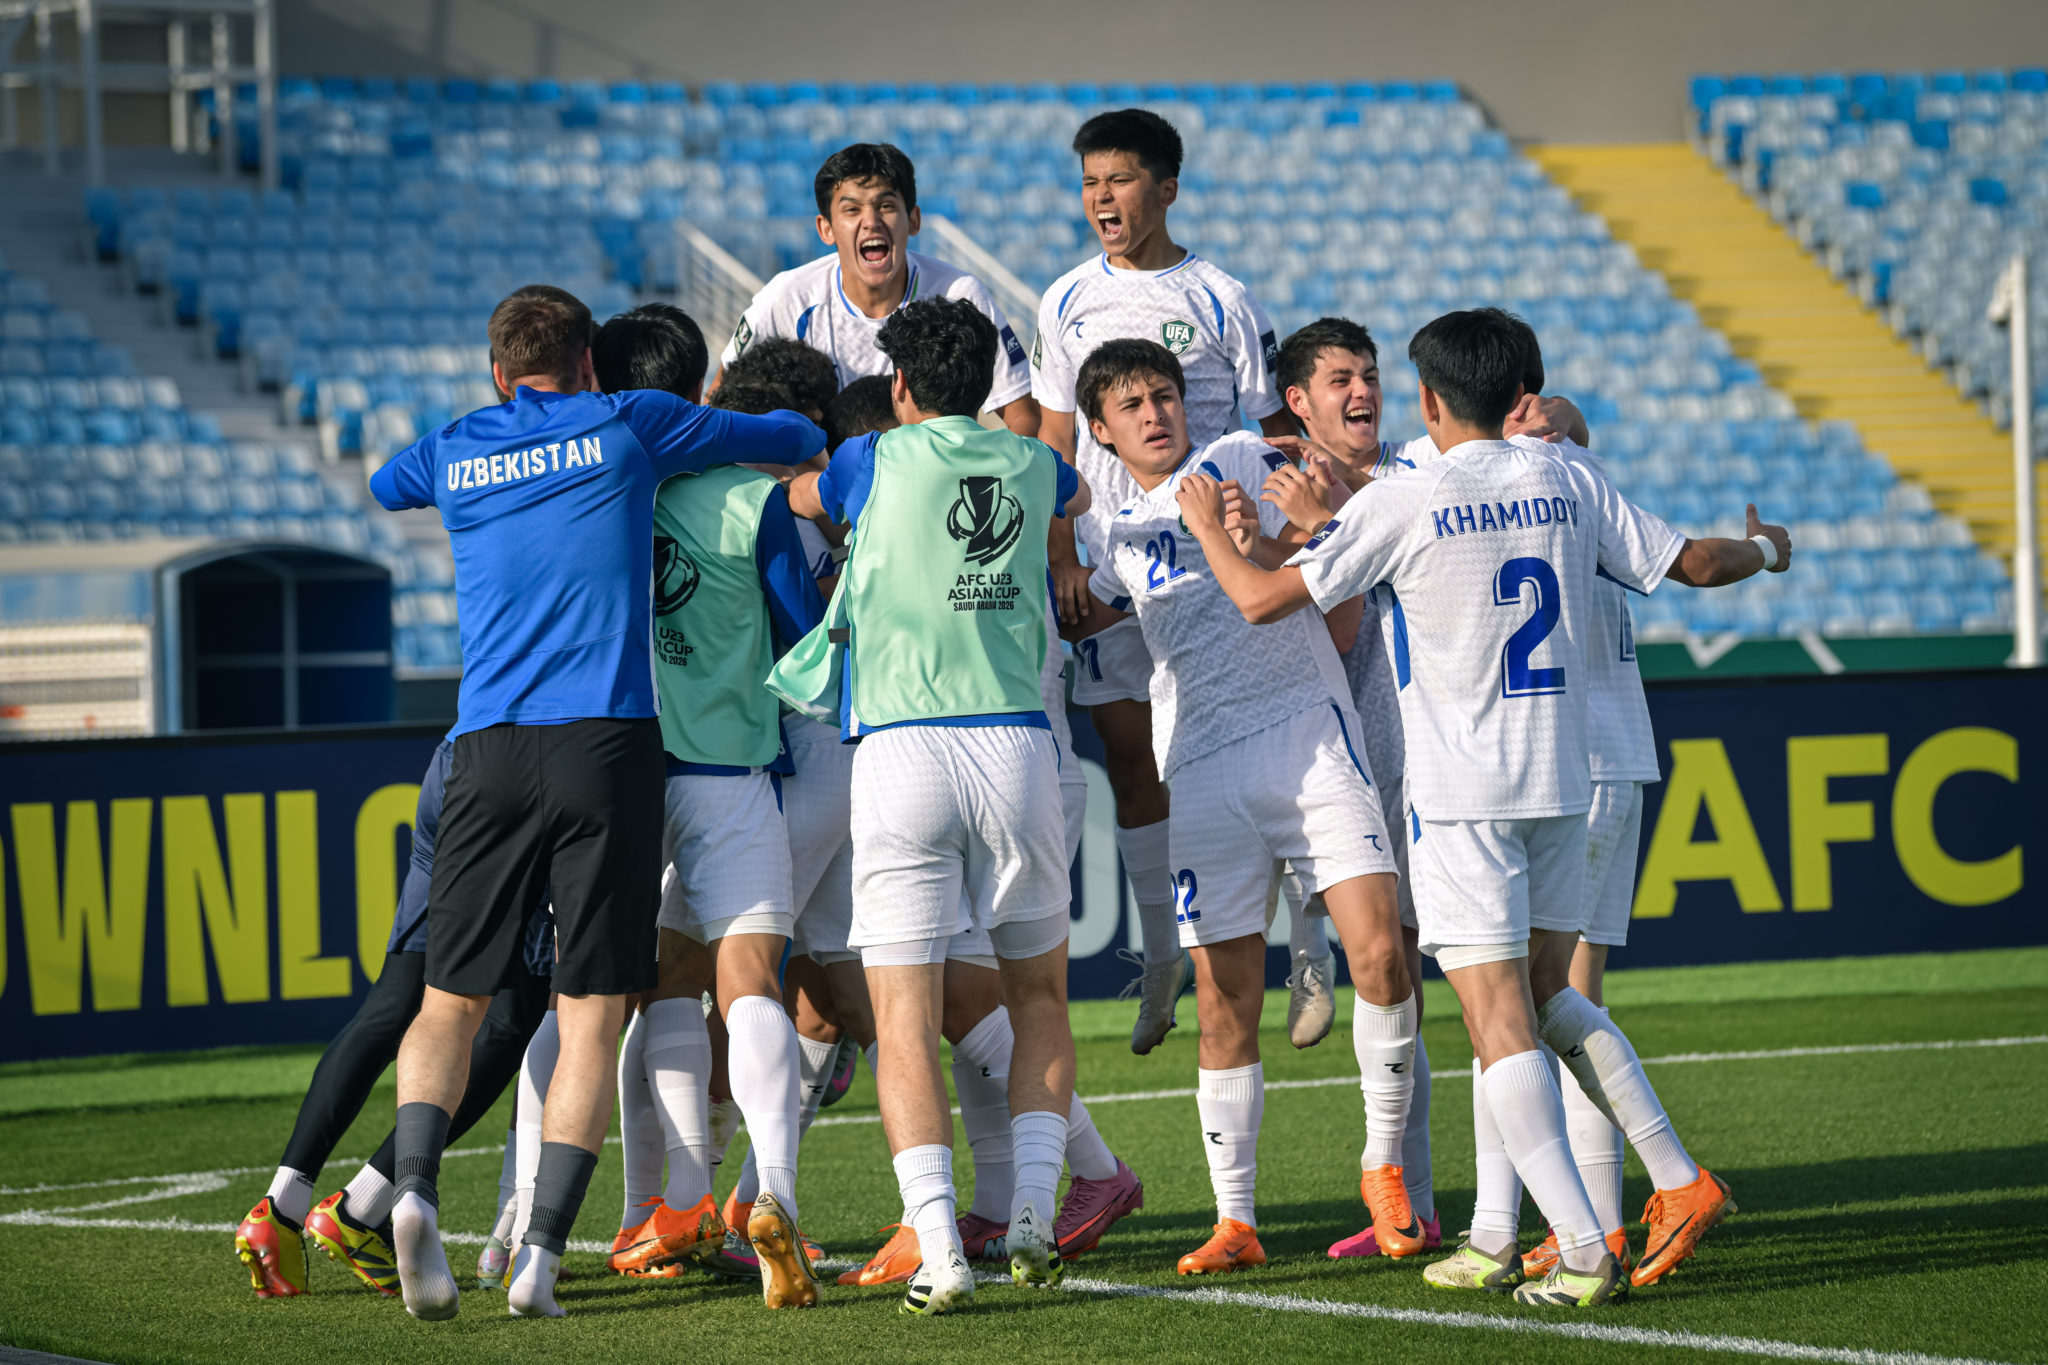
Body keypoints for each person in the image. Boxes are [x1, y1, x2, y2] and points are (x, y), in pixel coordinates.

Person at [1178, 307, 1787, 1308]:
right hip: (1562, 779)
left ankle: (1583, 1246)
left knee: (1497, 1019)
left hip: (1464, 797)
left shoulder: (1408, 494)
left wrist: (1211, 528)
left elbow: (1256, 599)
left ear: (1426, 399)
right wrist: (1764, 548)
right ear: (1519, 394)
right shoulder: (1565, 476)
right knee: (1548, 998)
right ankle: (1673, 1178)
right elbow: (1692, 563)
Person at [366, 286, 826, 1322]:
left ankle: (421, 1189)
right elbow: (788, 434)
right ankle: (542, 1254)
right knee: (591, 1011)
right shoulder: (631, 423)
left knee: (451, 1002)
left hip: (484, 743)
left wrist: (488, 452)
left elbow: (387, 484)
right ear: (586, 364)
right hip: (608, 745)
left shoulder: (456, 445)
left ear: (499, 373)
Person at [1058, 338, 1416, 1275]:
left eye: (1164, 394)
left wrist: (1283, 529)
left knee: (1381, 951)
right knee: (1222, 1000)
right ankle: (1235, 1220)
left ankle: (1382, 1166)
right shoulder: (1116, 536)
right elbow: (1083, 604)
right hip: (1203, 765)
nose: (1154, 413)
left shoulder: (1247, 457)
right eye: (1131, 404)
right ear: (1099, 431)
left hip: (1309, 734)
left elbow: (1337, 535)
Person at [781, 297, 1087, 1316]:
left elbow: (804, 494)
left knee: (904, 1020)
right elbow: (1079, 490)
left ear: (902, 387)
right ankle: (1034, 1215)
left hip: (903, 750)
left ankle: (941, 1251)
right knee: (1038, 998)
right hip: (1016, 746)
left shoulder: (870, 458)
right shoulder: (1033, 462)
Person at [1029, 108, 1322, 1054]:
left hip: (1213, 559)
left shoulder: (1222, 297)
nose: (1101, 199)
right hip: (1114, 558)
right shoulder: (1065, 299)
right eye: (1089, 183)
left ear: (1166, 188)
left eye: (1118, 180)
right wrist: (1063, 551)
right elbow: (1054, 440)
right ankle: (1163, 957)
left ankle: (1311, 944)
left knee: (1271, 741)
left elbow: (1276, 431)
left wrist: (1274, 530)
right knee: (1135, 761)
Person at [585, 303, 830, 1308]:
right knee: (749, 981)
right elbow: (803, 636)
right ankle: (772, 1195)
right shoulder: (749, 498)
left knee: (632, 990)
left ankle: (604, 1211)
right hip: (731, 772)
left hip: (624, 768)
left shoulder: (597, 488)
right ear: (706, 390)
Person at [231, 742, 552, 1301]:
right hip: (534, 766)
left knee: (393, 1004)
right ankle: (361, 1207)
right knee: (509, 1020)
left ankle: (281, 1205)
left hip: (456, 760)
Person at [1262, 317, 1440, 1257]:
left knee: (1481, 981)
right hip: (1354, 758)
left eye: (1368, 374)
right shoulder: (1280, 482)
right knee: (1399, 976)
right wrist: (1306, 521)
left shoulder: (1418, 469)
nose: (1363, 390)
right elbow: (1323, 631)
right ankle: (1414, 1203)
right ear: (1299, 401)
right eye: (1340, 378)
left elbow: (1554, 424)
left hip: (1433, 756)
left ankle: (1509, 1205)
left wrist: (1333, 517)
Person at [719, 142, 1039, 437]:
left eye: (886, 206)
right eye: (852, 209)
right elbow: (719, 395)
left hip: (929, 476)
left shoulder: (959, 295)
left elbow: (1022, 415)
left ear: (913, 220)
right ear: (826, 228)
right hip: (823, 477)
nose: (871, 221)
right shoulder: (788, 296)